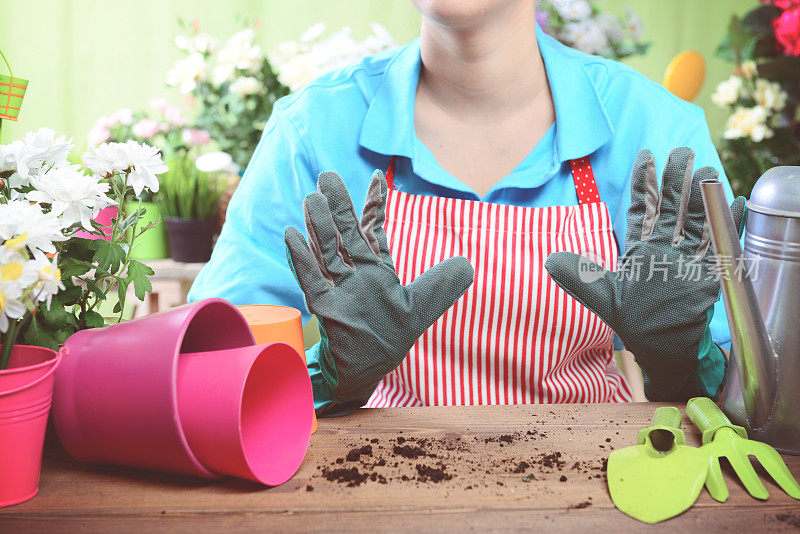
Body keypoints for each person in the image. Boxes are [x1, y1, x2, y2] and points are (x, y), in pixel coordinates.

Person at [189, 0, 741, 416]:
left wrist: (680, 361)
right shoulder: (312, 132)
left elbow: (749, 393)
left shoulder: (656, 128)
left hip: (605, 492)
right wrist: (333, 377)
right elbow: (207, 372)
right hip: (364, 495)